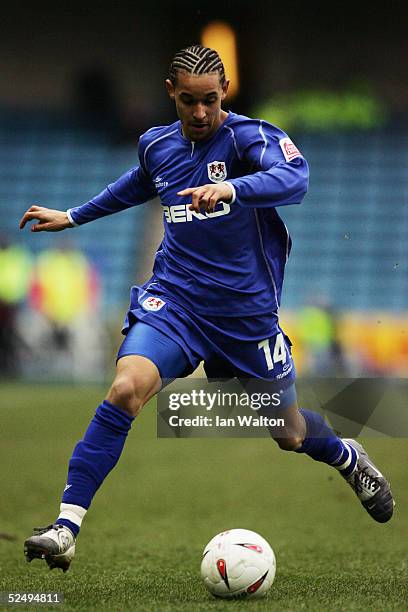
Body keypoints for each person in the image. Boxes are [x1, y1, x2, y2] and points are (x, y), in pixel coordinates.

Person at [20, 45, 394, 573]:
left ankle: (346, 456)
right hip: (176, 300)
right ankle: (66, 526)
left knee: (287, 433)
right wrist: (75, 215)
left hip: (246, 318)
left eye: (211, 101)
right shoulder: (158, 144)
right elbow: (140, 181)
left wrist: (231, 189)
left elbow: (296, 179)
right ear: (171, 93)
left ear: (225, 94)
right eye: (189, 102)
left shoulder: (248, 138)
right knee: (127, 387)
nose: (200, 114)